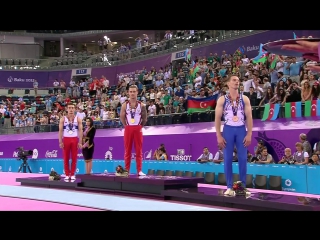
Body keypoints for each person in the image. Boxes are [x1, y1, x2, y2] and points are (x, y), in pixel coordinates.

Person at [215, 74, 253, 196]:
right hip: (228, 130)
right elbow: (217, 118)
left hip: (241, 129)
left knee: (243, 159)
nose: (237, 82)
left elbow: (249, 117)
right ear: (228, 84)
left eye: (238, 80)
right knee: (227, 159)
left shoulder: (245, 99)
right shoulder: (222, 99)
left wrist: (249, 134)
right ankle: (229, 187)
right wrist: (219, 135)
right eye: (234, 80)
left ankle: (242, 186)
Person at [120, 85, 148, 176]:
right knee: (127, 150)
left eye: (134, 91)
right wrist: (126, 126)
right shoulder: (125, 105)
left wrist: (140, 127)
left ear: (137, 92)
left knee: (138, 150)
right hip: (128, 128)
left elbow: (145, 118)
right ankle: (126, 170)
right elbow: (122, 117)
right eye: (130, 91)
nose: (132, 93)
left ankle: (139, 170)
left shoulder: (142, 105)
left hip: (138, 128)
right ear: (128, 93)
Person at [59, 103, 83, 180]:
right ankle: (67, 174)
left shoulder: (78, 119)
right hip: (66, 139)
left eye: (72, 108)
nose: (71, 109)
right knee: (65, 157)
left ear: (75, 109)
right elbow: (60, 131)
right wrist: (60, 141)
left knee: (74, 157)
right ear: (67, 109)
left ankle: (72, 174)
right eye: (69, 108)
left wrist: (80, 141)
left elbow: (80, 130)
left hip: (74, 139)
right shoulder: (63, 119)